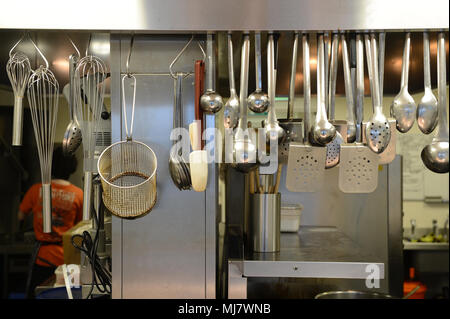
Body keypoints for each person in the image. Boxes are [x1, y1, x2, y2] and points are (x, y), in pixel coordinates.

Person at [18, 146, 83, 298]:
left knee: (39, 294)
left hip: (42, 257)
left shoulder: (36, 189)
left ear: (50, 166)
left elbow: (20, 216)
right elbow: (80, 227)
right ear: (72, 168)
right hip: (67, 259)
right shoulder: (78, 194)